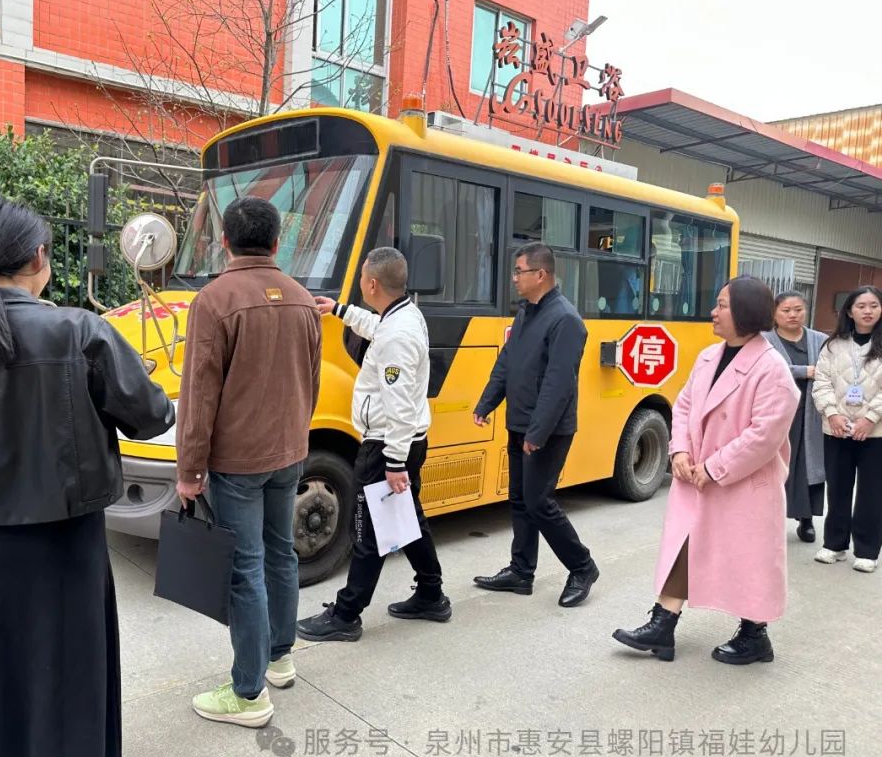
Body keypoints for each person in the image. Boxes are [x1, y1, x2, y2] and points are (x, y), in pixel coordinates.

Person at [0, 199, 175, 757]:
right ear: (39, 258)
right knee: (68, 685)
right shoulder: (80, 331)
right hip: (67, 549)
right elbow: (152, 417)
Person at [176, 196, 322, 727]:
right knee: (281, 554)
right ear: (279, 242)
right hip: (289, 451)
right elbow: (312, 381)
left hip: (237, 459)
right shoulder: (305, 300)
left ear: (225, 242)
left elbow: (199, 395)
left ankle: (248, 691)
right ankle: (280, 657)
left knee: (245, 567)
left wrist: (190, 470)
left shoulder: (215, 300)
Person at [613, 277, 799, 665]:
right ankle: (663, 625)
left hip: (742, 483)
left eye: (722, 305)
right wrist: (678, 450)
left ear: (745, 311)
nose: (713, 312)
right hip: (696, 476)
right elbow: (682, 406)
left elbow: (764, 434)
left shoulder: (773, 368)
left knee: (750, 559)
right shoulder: (708, 357)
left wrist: (715, 467)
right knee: (684, 547)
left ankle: (755, 635)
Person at [296, 247, 450, 641]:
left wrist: (394, 464)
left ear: (372, 283)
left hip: (387, 446)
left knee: (369, 532)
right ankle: (432, 594)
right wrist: (341, 310)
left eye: (363, 276)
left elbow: (397, 408)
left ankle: (346, 615)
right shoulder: (402, 314)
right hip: (405, 442)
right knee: (407, 520)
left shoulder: (397, 335)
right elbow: (375, 327)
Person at [471, 244, 599, 607]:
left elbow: (559, 384)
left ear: (540, 275)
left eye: (519, 271)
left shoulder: (566, 320)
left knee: (539, 502)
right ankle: (521, 572)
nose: (514, 278)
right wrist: (487, 402)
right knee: (519, 499)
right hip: (520, 423)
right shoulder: (527, 312)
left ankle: (582, 566)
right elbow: (507, 361)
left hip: (547, 431)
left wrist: (537, 433)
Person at [811, 285, 882, 573]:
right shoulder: (833, 345)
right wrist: (833, 414)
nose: (868, 311)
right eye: (861, 305)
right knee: (837, 488)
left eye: (874, 305)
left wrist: (871, 418)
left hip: (875, 432)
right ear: (850, 311)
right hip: (837, 429)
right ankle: (835, 544)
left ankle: (866, 550)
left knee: (872, 491)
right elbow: (822, 383)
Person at [763, 291, 827, 542]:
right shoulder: (763, 340)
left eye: (798, 309)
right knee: (774, 467)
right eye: (786, 310)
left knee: (807, 467)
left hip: (809, 415)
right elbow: (766, 370)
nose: (792, 315)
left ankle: (807, 519)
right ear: (774, 314)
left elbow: (829, 370)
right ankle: (770, 519)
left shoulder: (820, 340)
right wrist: (804, 371)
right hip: (777, 415)